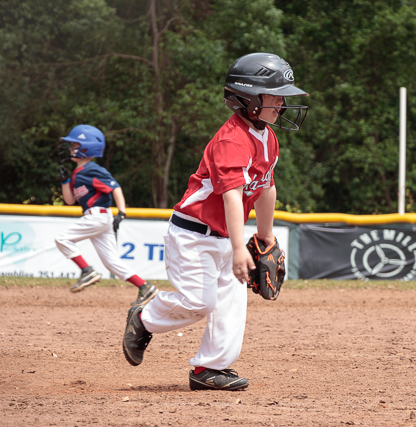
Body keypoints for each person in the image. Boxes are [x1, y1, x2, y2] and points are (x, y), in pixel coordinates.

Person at [121, 53, 309, 390]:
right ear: (249, 99)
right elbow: (232, 196)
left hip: (227, 237)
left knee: (231, 305)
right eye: (275, 95)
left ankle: (208, 369)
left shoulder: (268, 137)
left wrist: (264, 234)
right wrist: (241, 249)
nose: (282, 103)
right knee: (199, 302)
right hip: (193, 235)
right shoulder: (231, 139)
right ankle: (144, 318)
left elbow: (266, 187)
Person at [54, 124, 158, 306]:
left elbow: (115, 187)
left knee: (62, 239)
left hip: (98, 216)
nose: (71, 148)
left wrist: (122, 213)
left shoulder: (92, 169)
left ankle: (87, 271)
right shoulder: (78, 173)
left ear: (87, 149)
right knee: (111, 262)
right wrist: (64, 181)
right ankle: (145, 287)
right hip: (97, 219)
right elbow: (70, 201)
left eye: (75, 145)